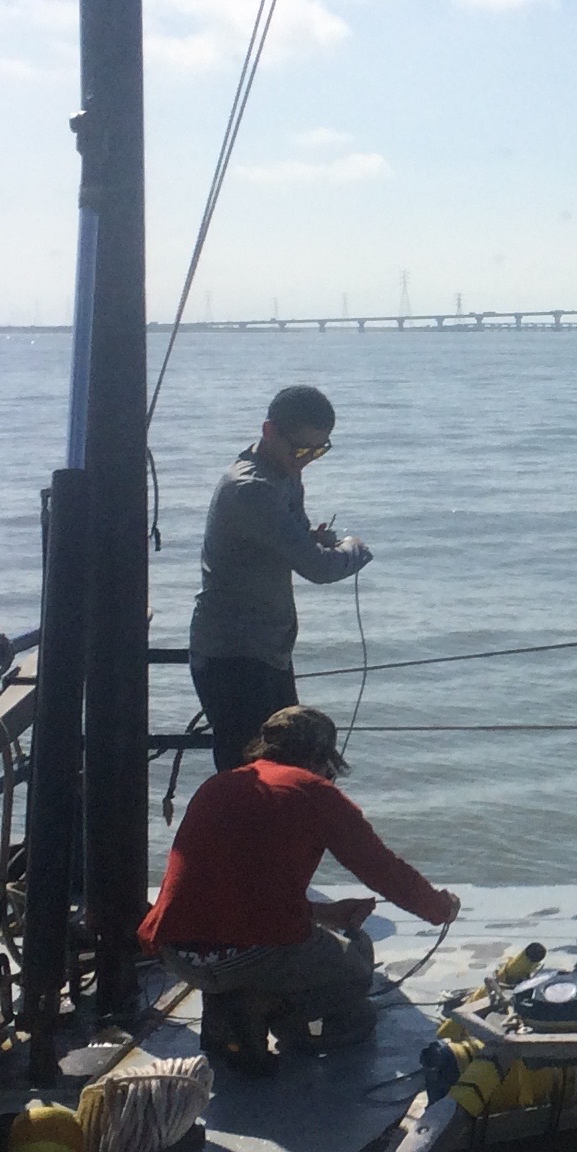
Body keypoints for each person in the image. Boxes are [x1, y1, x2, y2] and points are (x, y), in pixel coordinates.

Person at [140, 705, 462, 1077]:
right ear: (321, 757)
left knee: (259, 953)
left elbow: (231, 890)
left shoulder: (222, 784)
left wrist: (325, 915)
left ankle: (229, 1013)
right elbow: (384, 870)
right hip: (243, 957)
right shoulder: (313, 791)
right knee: (356, 969)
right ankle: (266, 1011)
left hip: (178, 955)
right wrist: (441, 908)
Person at [190, 384, 372, 769]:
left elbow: (276, 539)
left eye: (318, 451)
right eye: (301, 449)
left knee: (286, 766)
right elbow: (319, 568)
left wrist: (307, 539)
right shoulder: (251, 488)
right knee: (251, 775)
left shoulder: (283, 473)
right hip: (234, 656)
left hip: (268, 649)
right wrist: (353, 548)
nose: (305, 460)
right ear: (269, 431)